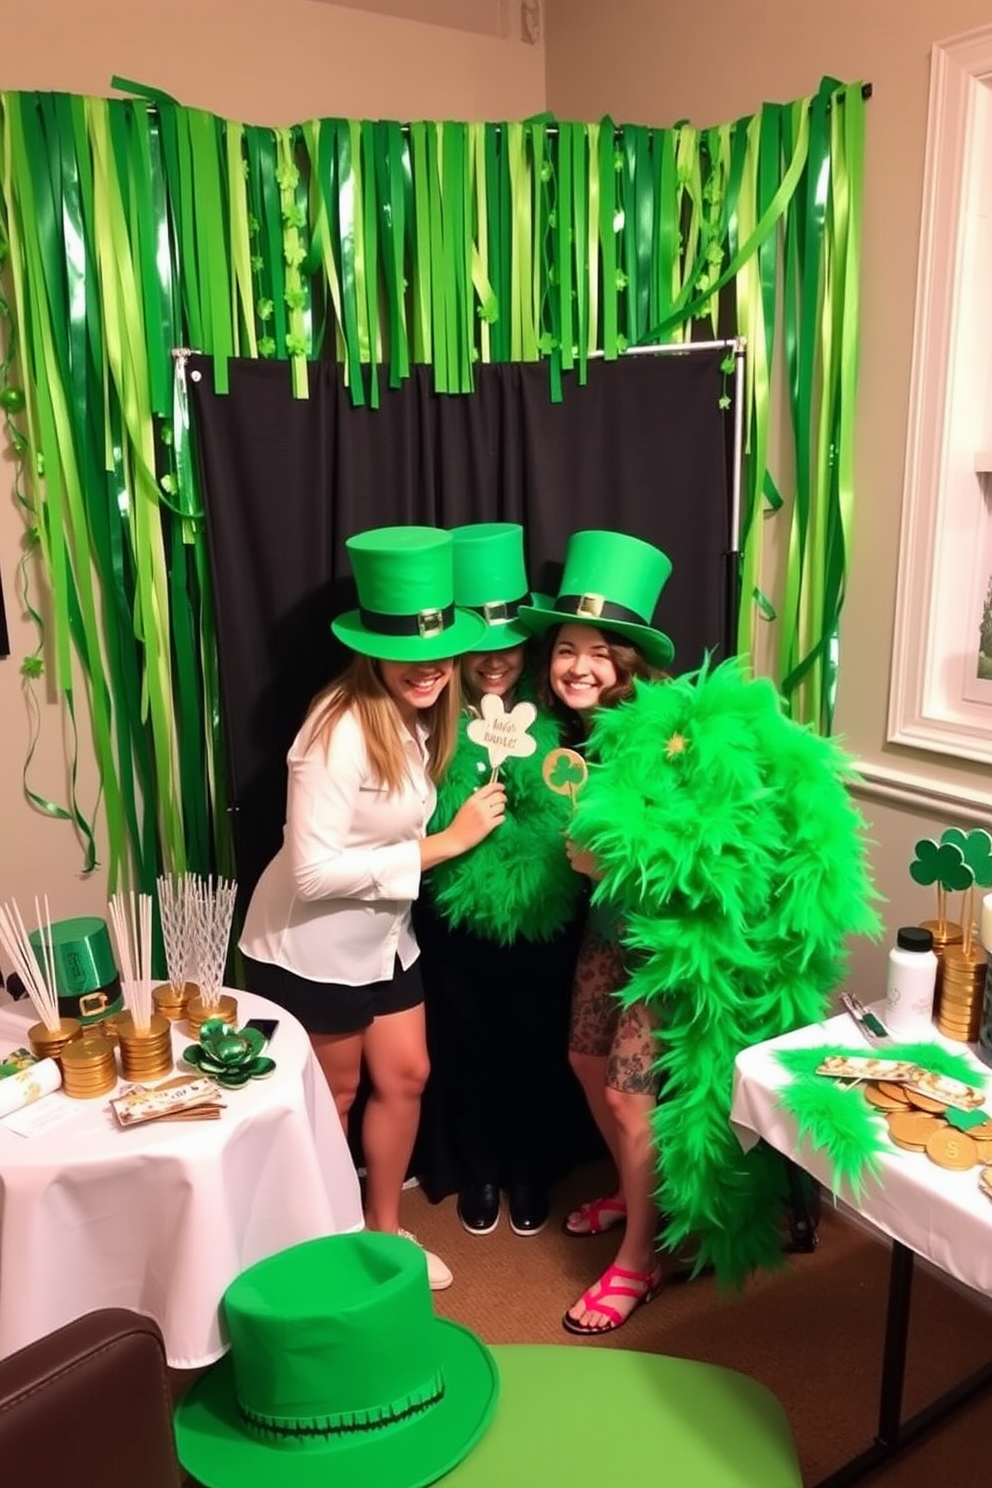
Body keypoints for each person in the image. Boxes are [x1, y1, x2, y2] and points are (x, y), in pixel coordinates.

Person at [239, 526, 506, 1291]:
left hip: (386, 938)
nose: (428, 669)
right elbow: (313, 871)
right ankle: (330, 1244)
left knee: (409, 1073)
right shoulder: (336, 732)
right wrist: (445, 845)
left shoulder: (423, 716)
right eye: (409, 654)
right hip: (310, 945)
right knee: (338, 1096)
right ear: (373, 650)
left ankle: (384, 1236)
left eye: (440, 652)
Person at [519, 529, 676, 1334]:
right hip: (607, 933)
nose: (576, 666)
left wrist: (611, 866)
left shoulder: (668, 737)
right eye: (564, 650)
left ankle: (642, 1262)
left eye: (597, 653)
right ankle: (629, 1188)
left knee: (629, 1096)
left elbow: (705, 859)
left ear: (628, 664)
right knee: (585, 1065)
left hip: (663, 945)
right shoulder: (577, 743)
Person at [415, 523, 586, 1239]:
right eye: (480, 645)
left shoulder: (564, 714)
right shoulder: (431, 714)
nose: (494, 659)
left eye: (509, 643)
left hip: (545, 906)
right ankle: (479, 1165)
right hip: (457, 907)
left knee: (536, 1036)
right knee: (467, 1035)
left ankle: (528, 1166)